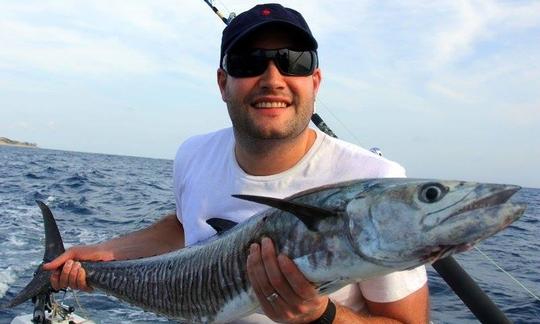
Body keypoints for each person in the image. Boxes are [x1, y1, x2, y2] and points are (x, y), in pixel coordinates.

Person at [44, 3, 429, 323]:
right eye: (249, 62)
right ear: (222, 82)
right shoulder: (194, 154)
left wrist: (321, 315)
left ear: (315, 80)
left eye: (293, 61)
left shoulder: (373, 182)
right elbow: (183, 224)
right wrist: (107, 252)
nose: (273, 78)